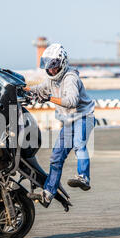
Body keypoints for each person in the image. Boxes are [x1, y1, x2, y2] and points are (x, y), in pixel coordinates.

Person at [25, 43, 96, 207]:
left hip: (84, 117)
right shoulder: (51, 80)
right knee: (56, 157)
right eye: (48, 67)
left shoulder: (70, 78)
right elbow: (36, 90)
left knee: (79, 144)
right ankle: (48, 193)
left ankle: (84, 177)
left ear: (62, 63)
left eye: (54, 67)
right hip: (69, 122)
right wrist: (20, 88)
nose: (51, 71)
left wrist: (48, 98)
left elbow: (71, 102)